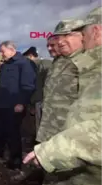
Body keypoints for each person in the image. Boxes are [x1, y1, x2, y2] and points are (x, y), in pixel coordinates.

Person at [24, 6, 102, 185]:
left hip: (72, 140)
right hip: (52, 132)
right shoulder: (58, 63)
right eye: (56, 40)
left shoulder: (87, 64)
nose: (58, 44)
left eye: (65, 37)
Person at [0, 41, 36, 170]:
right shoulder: (5, 66)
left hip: (15, 105)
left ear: (11, 50)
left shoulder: (25, 63)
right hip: (3, 104)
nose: (1, 54)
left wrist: (22, 102)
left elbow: (28, 86)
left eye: (2, 51)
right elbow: (2, 85)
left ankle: (15, 162)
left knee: (13, 133)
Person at [23, 46, 52, 144]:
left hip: (44, 101)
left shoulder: (43, 65)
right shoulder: (37, 66)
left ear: (31, 56)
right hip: (39, 101)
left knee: (43, 126)